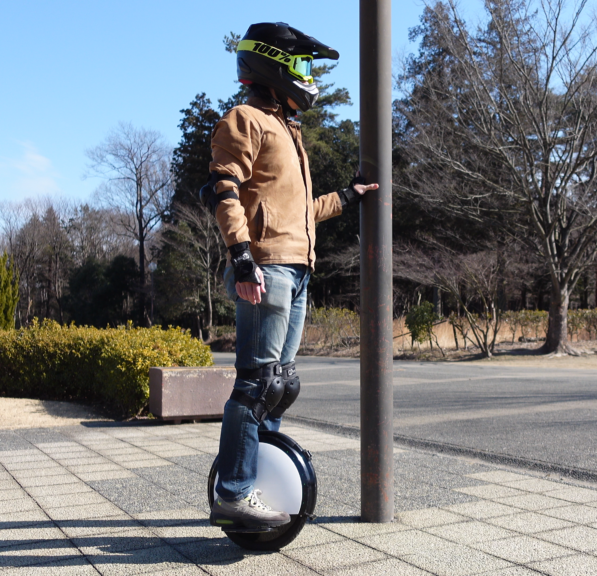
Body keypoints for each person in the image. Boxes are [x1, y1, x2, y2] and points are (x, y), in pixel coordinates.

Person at [202, 22, 377, 531]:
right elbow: (223, 189)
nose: (307, 76)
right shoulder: (246, 119)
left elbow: (296, 210)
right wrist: (241, 256)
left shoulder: (286, 129)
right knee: (256, 384)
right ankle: (233, 493)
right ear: (272, 66)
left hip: (298, 270)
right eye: (300, 65)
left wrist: (347, 197)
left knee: (281, 384)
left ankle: (255, 480)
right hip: (266, 268)